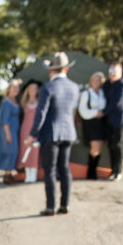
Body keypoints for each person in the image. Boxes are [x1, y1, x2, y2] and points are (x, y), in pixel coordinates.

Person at [24, 52, 80, 215]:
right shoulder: (74, 87)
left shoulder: (48, 87)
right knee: (65, 169)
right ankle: (65, 204)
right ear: (66, 70)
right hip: (68, 132)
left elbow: (41, 114)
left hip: (51, 134)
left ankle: (51, 206)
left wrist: (31, 135)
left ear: (51, 70)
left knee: (50, 170)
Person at [103, 63, 123, 181]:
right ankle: (112, 170)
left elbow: (118, 102)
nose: (112, 73)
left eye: (115, 71)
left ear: (120, 72)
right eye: (111, 70)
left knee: (118, 144)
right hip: (109, 119)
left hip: (119, 119)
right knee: (111, 145)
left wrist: (103, 111)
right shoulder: (107, 85)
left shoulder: (122, 84)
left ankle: (118, 171)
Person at [78, 71, 107, 179]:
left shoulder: (103, 93)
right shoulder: (86, 94)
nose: (96, 82)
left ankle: (94, 169)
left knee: (99, 147)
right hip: (91, 123)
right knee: (94, 147)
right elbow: (82, 110)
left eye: (98, 80)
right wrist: (95, 113)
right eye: (94, 80)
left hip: (101, 123)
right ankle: (91, 171)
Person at [0, 79, 22, 183]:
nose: (16, 90)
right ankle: (7, 175)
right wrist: (8, 134)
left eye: (17, 88)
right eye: (14, 87)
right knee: (10, 151)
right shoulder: (6, 102)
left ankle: (9, 172)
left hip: (15, 130)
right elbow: (4, 120)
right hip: (8, 131)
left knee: (14, 152)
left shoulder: (15, 101)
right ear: (9, 89)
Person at [17, 81, 40, 183]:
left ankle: (33, 174)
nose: (32, 91)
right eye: (31, 88)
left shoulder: (40, 102)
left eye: (35, 88)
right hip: (25, 129)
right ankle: (27, 174)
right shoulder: (23, 102)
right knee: (25, 150)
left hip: (35, 129)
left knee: (34, 152)